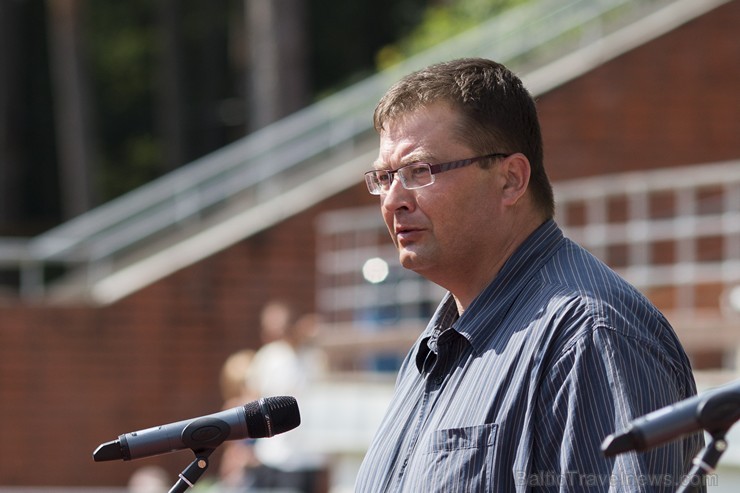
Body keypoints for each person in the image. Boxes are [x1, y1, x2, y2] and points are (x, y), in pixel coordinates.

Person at [354, 58, 704, 492]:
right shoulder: (435, 347)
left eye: (419, 171)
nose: (393, 200)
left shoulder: (590, 337)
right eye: (385, 177)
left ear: (511, 179)